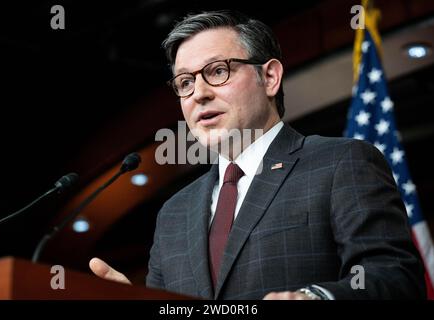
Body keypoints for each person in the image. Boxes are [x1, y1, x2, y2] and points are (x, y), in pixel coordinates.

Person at [89, 10, 426, 300]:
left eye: (218, 71)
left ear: (269, 77)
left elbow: (396, 278)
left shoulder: (341, 163)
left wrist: (314, 297)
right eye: (185, 82)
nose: (199, 94)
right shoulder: (173, 213)